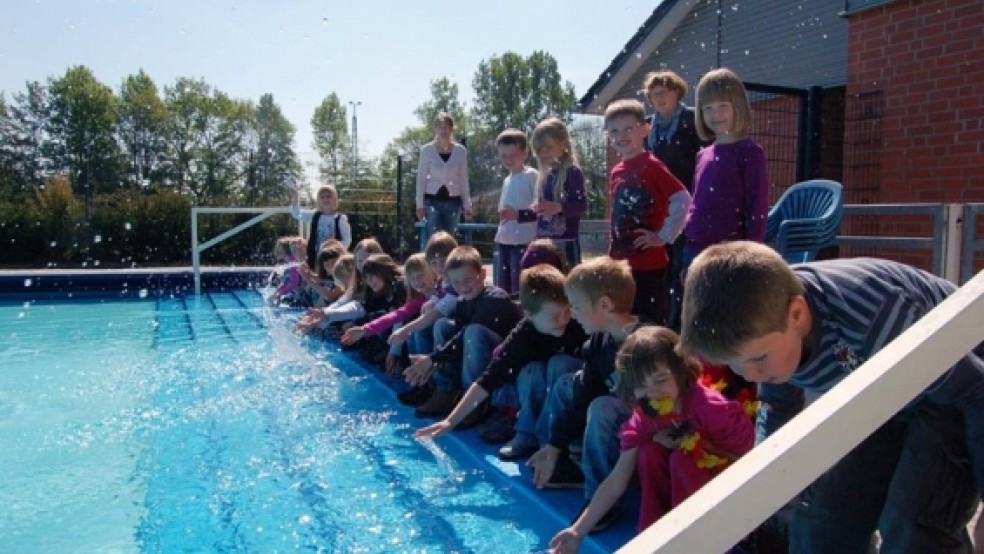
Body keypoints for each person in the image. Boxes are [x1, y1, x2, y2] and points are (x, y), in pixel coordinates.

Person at [678, 241, 984, 553]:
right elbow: (779, 411)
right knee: (824, 521)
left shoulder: (872, 313)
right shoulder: (771, 328)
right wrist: (765, 488)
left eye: (757, 359)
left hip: (956, 389)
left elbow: (976, 393)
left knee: (912, 523)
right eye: (734, 364)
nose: (749, 375)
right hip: (881, 394)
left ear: (797, 314)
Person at [549, 326, 754, 553]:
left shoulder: (711, 409)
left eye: (661, 379)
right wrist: (578, 530)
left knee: (682, 460)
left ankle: (695, 542)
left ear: (681, 370)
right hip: (685, 492)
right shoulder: (648, 415)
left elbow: (750, 460)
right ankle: (656, 534)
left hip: (723, 500)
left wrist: (700, 444)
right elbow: (618, 477)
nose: (653, 392)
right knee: (649, 451)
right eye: (641, 386)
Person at [527, 256, 652, 532]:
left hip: (653, 427)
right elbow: (582, 395)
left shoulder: (647, 343)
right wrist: (554, 443)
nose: (572, 313)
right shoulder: (596, 344)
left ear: (605, 305)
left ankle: (600, 498)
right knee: (569, 386)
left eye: (577, 306)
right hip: (625, 421)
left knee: (603, 406)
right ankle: (567, 462)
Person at [414, 264, 587, 460]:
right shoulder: (524, 334)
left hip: (570, 400)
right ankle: (527, 435)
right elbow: (488, 379)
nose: (564, 319)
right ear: (529, 315)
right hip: (534, 390)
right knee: (531, 370)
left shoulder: (578, 325)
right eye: (555, 315)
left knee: (560, 363)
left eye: (567, 311)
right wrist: (451, 421)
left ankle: (555, 442)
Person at [403, 245, 523, 428]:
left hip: (503, 362)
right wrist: (436, 363)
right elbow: (457, 341)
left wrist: (433, 359)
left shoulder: (495, 299)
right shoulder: (462, 301)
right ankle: (447, 391)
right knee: (442, 325)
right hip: (480, 356)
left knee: (472, 331)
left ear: (482, 274)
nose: (463, 287)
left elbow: (464, 337)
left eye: (468, 280)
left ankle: (473, 401)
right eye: (456, 283)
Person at [604, 98, 691, 324]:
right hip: (621, 263)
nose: (621, 136)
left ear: (645, 129)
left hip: (649, 265)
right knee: (622, 319)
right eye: (614, 131)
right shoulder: (617, 171)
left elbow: (683, 199)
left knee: (647, 323)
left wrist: (663, 236)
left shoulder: (652, 166)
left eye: (628, 129)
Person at [683, 68, 769, 275]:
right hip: (695, 250)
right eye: (708, 108)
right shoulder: (702, 155)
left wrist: (751, 255)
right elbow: (697, 203)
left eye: (723, 106)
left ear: (737, 107)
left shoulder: (749, 153)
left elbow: (757, 209)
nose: (716, 114)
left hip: (730, 255)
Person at [641, 70, 705, 331]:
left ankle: (679, 325)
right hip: (658, 207)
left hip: (686, 202)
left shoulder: (692, 120)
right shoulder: (647, 126)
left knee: (681, 266)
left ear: (677, 92)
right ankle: (660, 319)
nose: (659, 97)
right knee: (661, 265)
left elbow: (702, 162)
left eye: (664, 91)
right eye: (654, 94)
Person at [389, 231, 460, 407]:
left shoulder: (457, 279)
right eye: (434, 262)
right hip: (450, 326)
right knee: (418, 328)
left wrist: (404, 330)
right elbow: (435, 302)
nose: (440, 266)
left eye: (444, 260)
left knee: (435, 325)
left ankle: (442, 388)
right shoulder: (443, 281)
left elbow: (438, 313)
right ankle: (422, 383)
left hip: (460, 329)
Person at [341, 253, 437, 375]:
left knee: (419, 331)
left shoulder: (440, 293)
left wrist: (395, 350)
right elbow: (398, 314)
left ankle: (437, 383)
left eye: (421, 275)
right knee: (411, 332)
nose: (417, 281)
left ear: (433, 272)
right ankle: (419, 376)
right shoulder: (420, 299)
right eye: (412, 278)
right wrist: (364, 330)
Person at [530, 117, 588, 267]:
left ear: (563, 144)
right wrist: (521, 214)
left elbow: (581, 206)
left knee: (567, 285)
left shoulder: (573, 172)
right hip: (543, 242)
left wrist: (560, 207)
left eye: (548, 147)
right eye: (539, 149)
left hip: (566, 242)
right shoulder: (544, 176)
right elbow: (542, 212)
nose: (544, 153)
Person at [294, 238, 384, 333]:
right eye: (359, 261)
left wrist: (325, 316)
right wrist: (317, 317)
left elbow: (360, 308)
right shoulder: (358, 282)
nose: (363, 265)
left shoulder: (380, 281)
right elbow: (341, 303)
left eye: (367, 260)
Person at [494, 128, 538, 294]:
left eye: (512, 155)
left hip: (523, 241)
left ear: (525, 152)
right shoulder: (507, 179)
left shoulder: (532, 176)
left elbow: (539, 210)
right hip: (504, 240)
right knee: (502, 286)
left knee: (519, 286)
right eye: (503, 156)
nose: (508, 159)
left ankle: (519, 316)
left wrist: (518, 215)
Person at [415, 112, 472, 238]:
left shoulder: (460, 151)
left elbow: (463, 179)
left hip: (453, 202)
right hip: (432, 202)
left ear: (452, 129)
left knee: (449, 240)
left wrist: (467, 205)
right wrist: (420, 205)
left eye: (446, 126)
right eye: (440, 126)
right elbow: (421, 179)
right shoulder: (427, 150)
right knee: (434, 240)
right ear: (435, 129)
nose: (443, 130)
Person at [291, 184, 352, 268]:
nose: (325, 199)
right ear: (319, 200)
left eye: (328, 196)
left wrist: (333, 250)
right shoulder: (315, 215)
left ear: (334, 199)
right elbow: (297, 214)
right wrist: (296, 195)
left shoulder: (340, 218)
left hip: (333, 260)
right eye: (322, 197)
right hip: (315, 258)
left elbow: (347, 240)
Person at [300, 240, 347, 307]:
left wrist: (308, 279)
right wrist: (308, 273)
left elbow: (330, 296)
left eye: (334, 262)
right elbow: (321, 279)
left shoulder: (345, 277)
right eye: (327, 264)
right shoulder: (331, 277)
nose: (331, 266)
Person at [267, 236, 306, 306]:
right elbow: (285, 281)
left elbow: (295, 281)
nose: (275, 250)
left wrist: (279, 293)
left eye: (278, 248)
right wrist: (276, 292)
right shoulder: (288, 260)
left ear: (285, 250)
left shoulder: (292, 261)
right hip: (296, 291)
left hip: (300, 293)